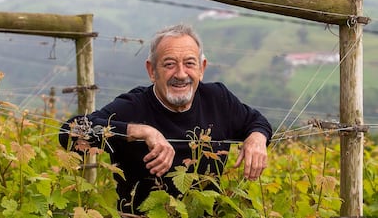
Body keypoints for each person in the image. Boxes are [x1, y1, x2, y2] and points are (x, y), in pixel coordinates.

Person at [59, 23, 272, 213]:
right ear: (152, 71)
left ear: (202, 68)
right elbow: (70, 131)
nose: (181, 74)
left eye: (189, 63)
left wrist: (257, 138)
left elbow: (257, 121)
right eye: (169, 64)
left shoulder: (217, 98)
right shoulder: (133, 106)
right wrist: (141, 131)